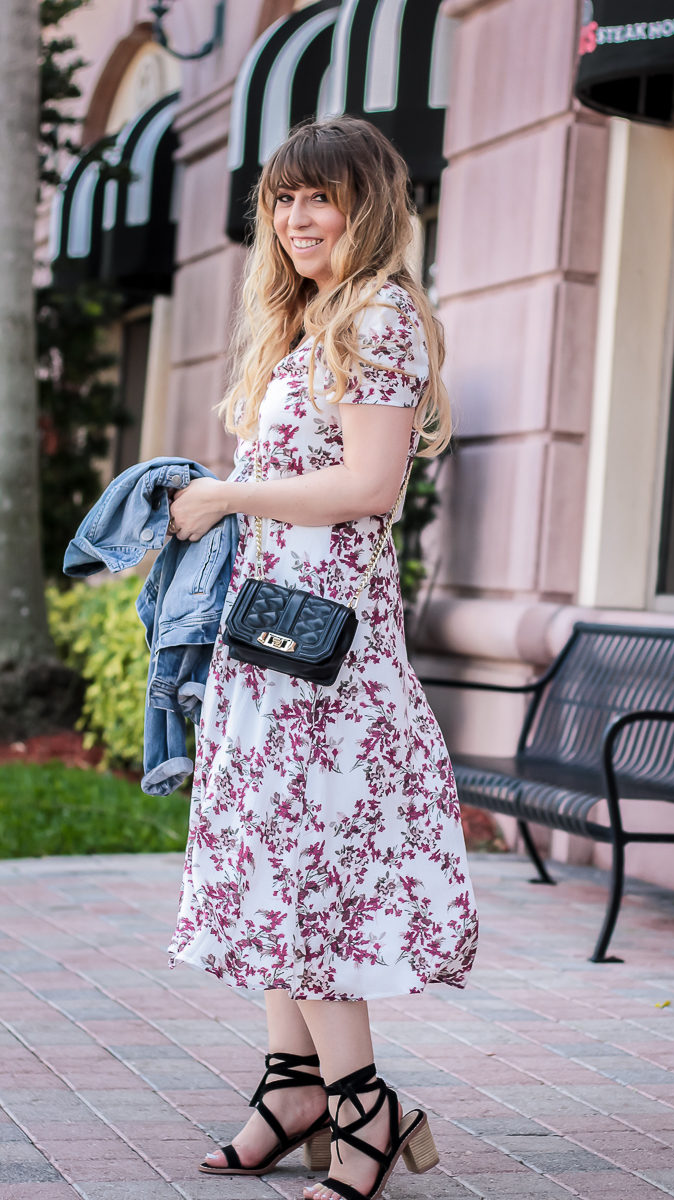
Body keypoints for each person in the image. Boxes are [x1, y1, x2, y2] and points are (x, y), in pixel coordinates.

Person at [166, 115, 479, 1200]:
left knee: (307, 880)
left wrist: (224, 494)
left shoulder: (379, 319)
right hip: (271, 642)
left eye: (321, 198)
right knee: (266, 864)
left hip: (327, 657)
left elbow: (367, 488)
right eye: (283, 200)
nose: (299, 219)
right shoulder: (305, 325)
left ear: (369, 206)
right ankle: (292, 1086)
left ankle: (364, 1114)